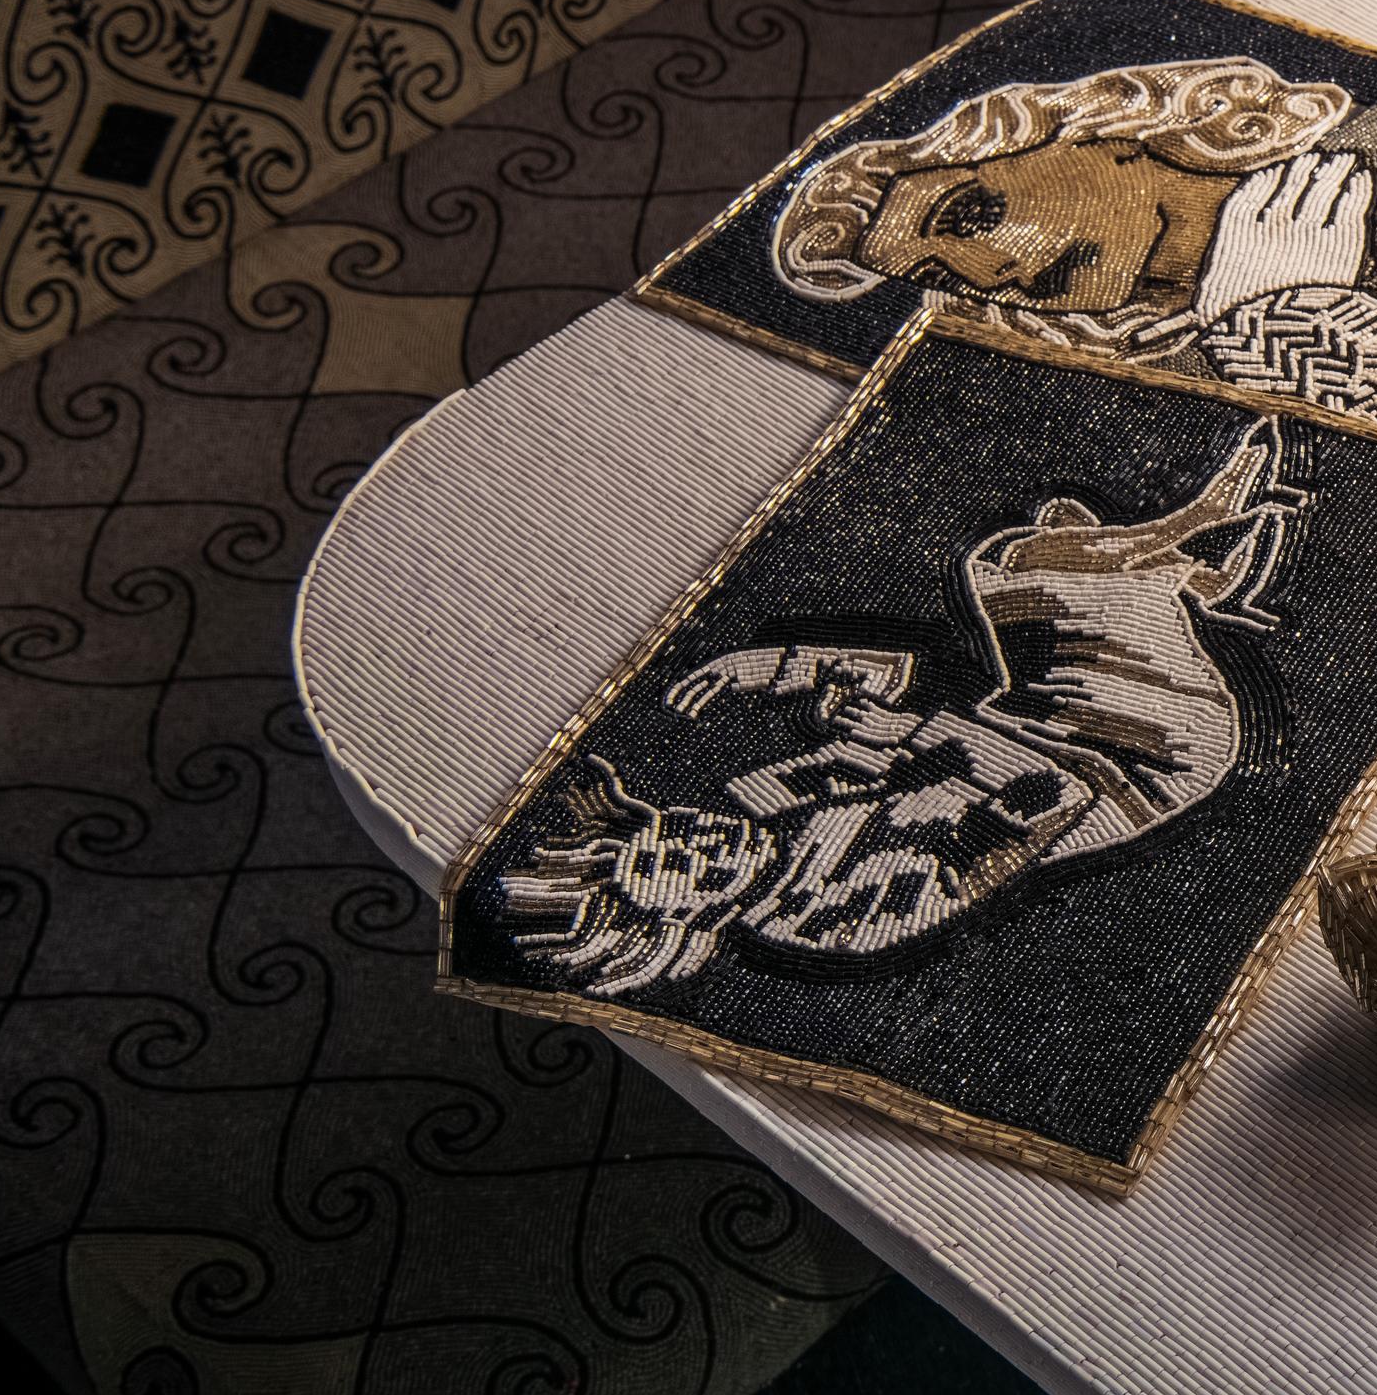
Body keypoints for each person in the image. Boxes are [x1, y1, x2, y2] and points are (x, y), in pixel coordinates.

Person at [491, 421, 1311, 993]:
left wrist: (788, 665)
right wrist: (913, 730)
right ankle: (1197, 530)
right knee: (1022, 560)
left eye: (665, 836)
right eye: (686, 872)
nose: (696, 841)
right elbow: (1049, 804)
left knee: (1048, 535)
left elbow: (894, 693)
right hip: (1136, 756)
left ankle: (1190, 580)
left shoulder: (763, 803)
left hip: (1040, 716)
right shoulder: (834, 916)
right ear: (696, 922)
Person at [769, 56, 1377, 436]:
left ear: (1096, 133)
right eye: (935, 275)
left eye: (968, 214)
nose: (991, 272)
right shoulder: (1184, 395)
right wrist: (1282, 320)